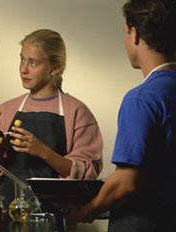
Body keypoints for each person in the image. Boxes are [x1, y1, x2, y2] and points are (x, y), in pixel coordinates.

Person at [64, 0, 176, 231]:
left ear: (134, 34)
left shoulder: (141, 99)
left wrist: (87, 210)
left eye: (125, 33)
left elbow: (126, 182)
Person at [0, 29, 103, 210]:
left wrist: (43, 151)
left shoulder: (77, 112)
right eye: (22, 59)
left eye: (33, 63)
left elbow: (86, 178)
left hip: (60, 217)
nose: (23, 69)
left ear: (55, 68)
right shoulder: (5, 111)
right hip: (9, 216)